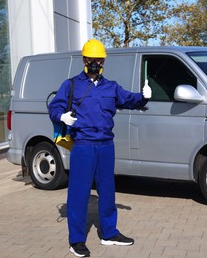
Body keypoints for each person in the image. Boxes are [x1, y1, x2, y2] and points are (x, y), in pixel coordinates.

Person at [48, 39, 152, 257]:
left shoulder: (111, 86)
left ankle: (109, 233)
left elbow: (129, 100)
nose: (95, 62)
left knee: (107, 192)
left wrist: (143, 97)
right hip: (84, 145)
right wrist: (61, 116)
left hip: (106, 145)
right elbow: (55, 106)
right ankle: (76, 240)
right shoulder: (71, 85)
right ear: (84, 60)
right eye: (91, 59)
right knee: (79, 193)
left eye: (99, 59)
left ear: (103, 61)